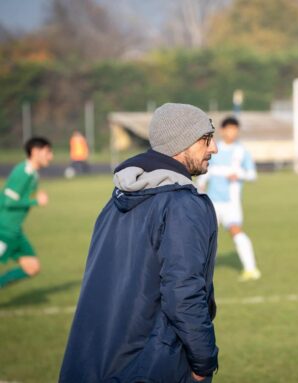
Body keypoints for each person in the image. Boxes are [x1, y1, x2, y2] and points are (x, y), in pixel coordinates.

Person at [60, 103, 219, 383]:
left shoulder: (117, 199)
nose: (214, 148)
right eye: (206, 139)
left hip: (97, 361)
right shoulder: (182, 205)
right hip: (153, 365)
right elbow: (183, 292)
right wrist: (203, 363)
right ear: (181, 143)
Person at [197, 116, 260, 282]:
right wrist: (201, 184)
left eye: (235, 129)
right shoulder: (213, 149)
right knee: (206, 235)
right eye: (229, 129)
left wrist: (239, 174)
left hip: (231, 203)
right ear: (223, 130)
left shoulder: (241, 152)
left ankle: (251, 269)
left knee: (235, 231)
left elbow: (252, 175)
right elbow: (206, 171)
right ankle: (200, 271)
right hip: (212, 202)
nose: (232, 132)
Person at [0, 137, 53, 288]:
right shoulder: (23, 172)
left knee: (32, 267)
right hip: (3, 230)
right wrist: (36, 201)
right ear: (36, 152)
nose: (51, 156)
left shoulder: (34, 174)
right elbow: (8, 202)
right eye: (48, 152)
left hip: (15, 232)